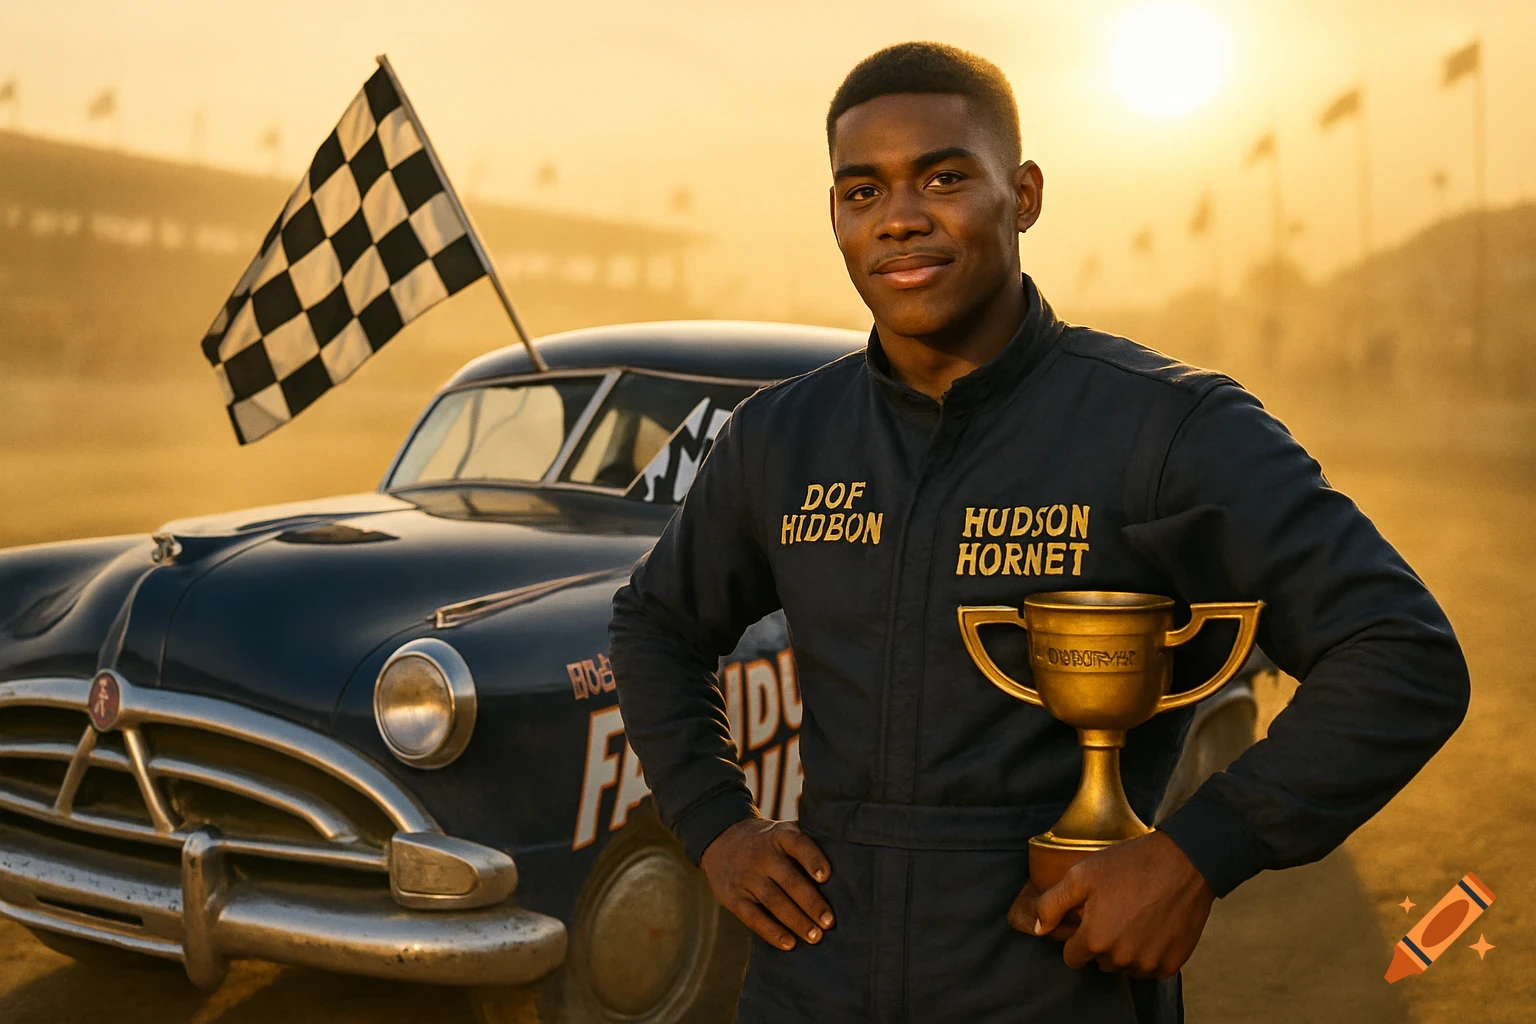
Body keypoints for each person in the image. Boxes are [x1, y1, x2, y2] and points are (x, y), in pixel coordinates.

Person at [609, 41, 1469, 1023]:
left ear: (1023, 194)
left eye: (944, 177)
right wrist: (717, 825)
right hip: (814, 979)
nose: (899, 218)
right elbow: (656, 624)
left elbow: (1403, 653)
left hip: (1054, 980)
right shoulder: (781, 436)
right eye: (862, 191)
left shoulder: (1169, 427)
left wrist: (1197, 853)